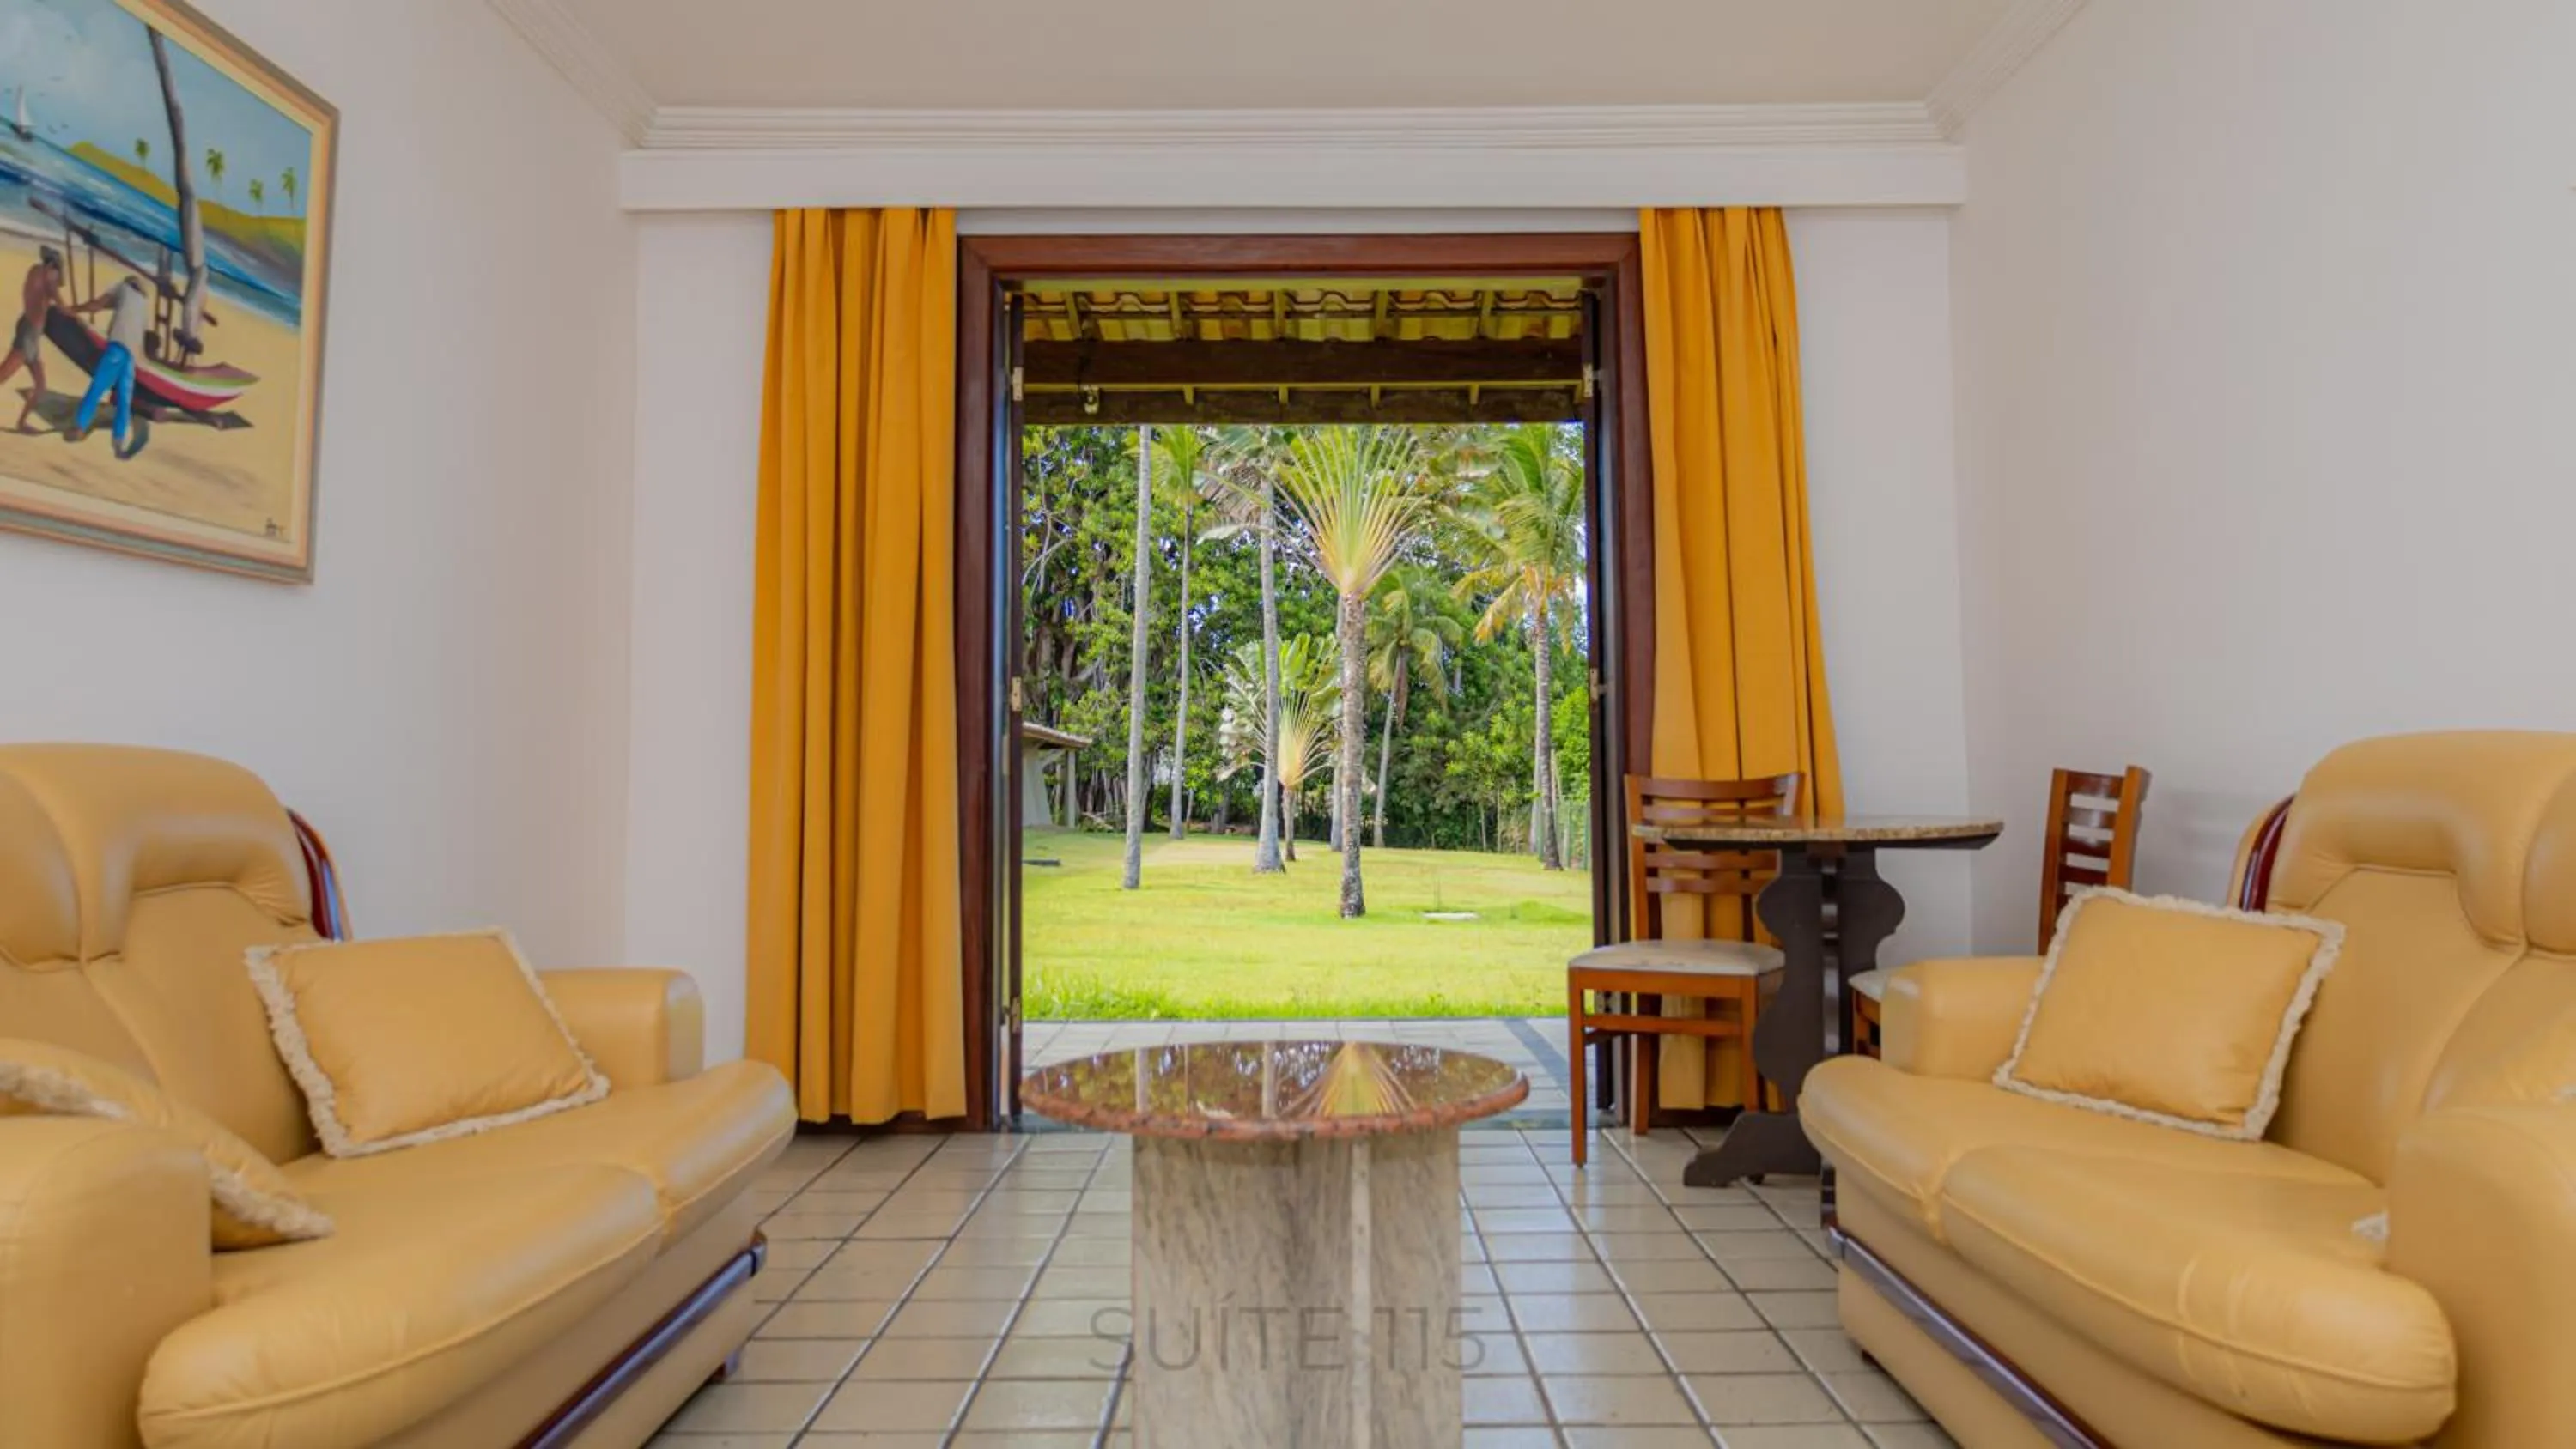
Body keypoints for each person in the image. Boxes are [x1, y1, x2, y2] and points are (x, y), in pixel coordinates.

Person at [64, 275, 147, 452]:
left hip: (117, 348)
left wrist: (73, 309)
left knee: (98, 387)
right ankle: (118, 439)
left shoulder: (121, 287)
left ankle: (79, 427)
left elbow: (97, 305)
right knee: (124, 399)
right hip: (132, 355)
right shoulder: (141, 302)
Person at [0, 246, 64, 433]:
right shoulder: (48, 277)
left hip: (30, 332)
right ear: (53, 265)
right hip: (29, 333)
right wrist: (81, 320)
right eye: (57, 268)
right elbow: (61, 304)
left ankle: (22, 423)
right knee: (3, 375)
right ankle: (21, 423)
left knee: (41, 386)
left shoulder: (35, 271)